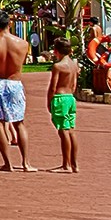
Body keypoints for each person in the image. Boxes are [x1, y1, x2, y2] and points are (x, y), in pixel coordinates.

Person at [0, 11, 35, 172]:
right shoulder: (22, 44)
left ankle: (8, 163)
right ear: (9, 23)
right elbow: (20, 63)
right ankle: (26, 163)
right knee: (19, 123)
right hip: (14, 83)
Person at [47, 39, 79, 173]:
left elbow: (53, 87)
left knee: (63, 131)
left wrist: (49, 101)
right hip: (70, 98)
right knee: (71, 130)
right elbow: (74, 85)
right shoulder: (74, 65)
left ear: (56, 51)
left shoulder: (58, 66)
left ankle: (66, 165)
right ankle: (74, 164)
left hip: (60, 97)